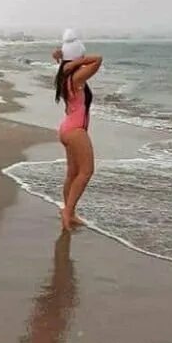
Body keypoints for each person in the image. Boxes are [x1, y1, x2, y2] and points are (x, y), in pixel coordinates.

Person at [51, 29, 102, 231]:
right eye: (80, 55)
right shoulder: (78, 75)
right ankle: (67, 212)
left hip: (67, 129)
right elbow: (98, 59)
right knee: (87, 171)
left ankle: (69, 212)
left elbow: (64, 66)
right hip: (75, 130)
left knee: (73, 173)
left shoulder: (66, 75)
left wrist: (66, 60)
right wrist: (76, 61)